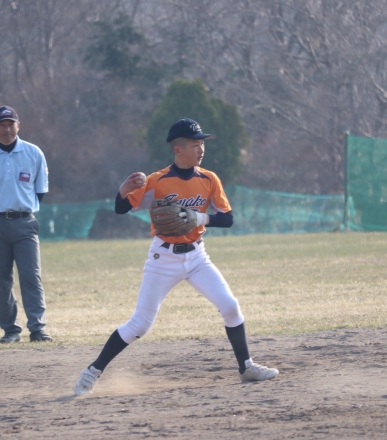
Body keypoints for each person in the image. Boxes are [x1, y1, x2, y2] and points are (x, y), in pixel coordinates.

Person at [73, 118, 278, 395]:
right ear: (178, 149)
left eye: (202, 143)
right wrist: (122, 190)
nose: (201, 149)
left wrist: (199, 217)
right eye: (195, 144)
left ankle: (246, 367)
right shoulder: (157, 181)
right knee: (140, 324)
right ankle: (93, 371)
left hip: (197, 256)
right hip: (164, 258)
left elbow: (228, 219)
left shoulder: (209, 179)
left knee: (230, 306)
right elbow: (122, 208)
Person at [0, 106, 52, 344]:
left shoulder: (33, 153)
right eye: (2, 125)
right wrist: (2, 209)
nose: (7, 129)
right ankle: (10, 330)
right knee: (2, 279)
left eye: (11, 124)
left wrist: (21, 209)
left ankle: (37, 328)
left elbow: (40, 191)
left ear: (18, 125)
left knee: (31, 277)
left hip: (25, 223)